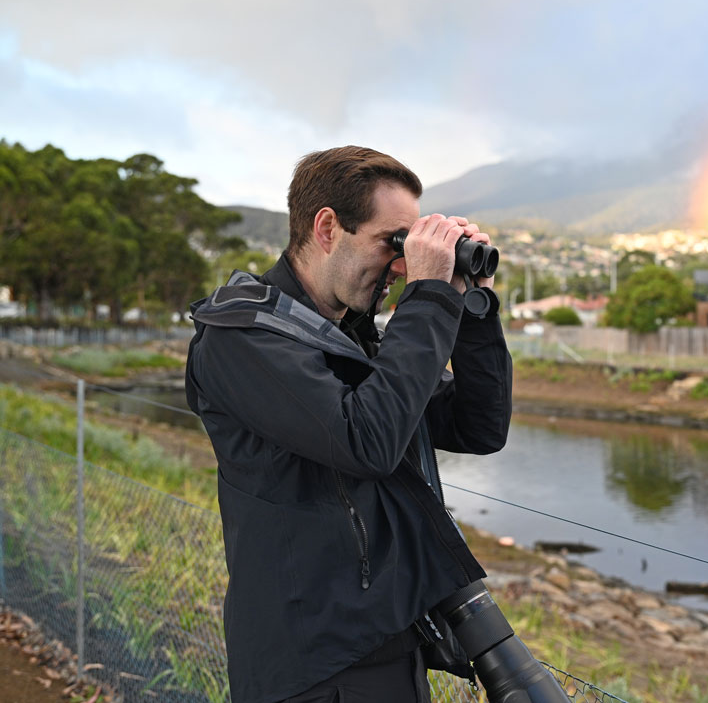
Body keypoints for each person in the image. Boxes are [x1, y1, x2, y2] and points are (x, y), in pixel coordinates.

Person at [185, 146, 512, 703]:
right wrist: (428, 297)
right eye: (393, 242)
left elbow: (478, 427)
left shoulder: (354, 340)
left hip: (390, 642)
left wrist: (470, 300)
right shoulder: (241, 336)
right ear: (327, 228)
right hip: (312, 665)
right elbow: (367, 441)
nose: (402, 265)